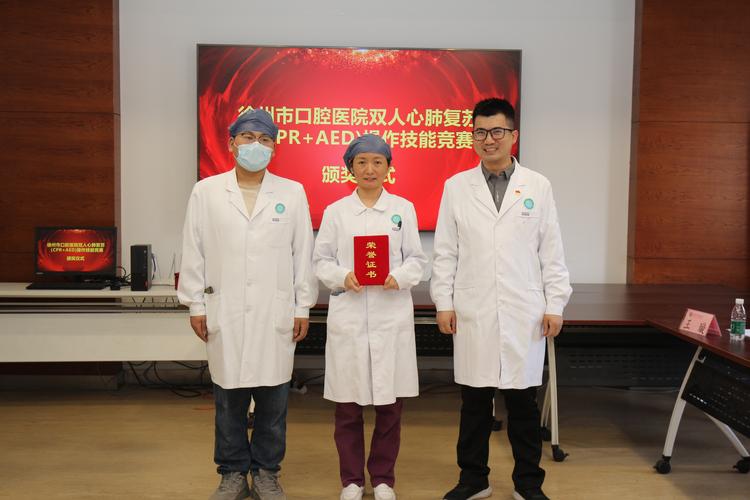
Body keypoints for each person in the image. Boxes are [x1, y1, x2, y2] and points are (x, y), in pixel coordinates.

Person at [430, 98, 572, 500]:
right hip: (473, 311)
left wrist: (555, 304)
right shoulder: (456, 187)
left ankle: (528, 483)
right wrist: (444, 302)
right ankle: (473, 479)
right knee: (474, 402)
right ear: (472, 137)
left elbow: (551, 252)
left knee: (523, 404)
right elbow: (446, 252)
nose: (488, 139)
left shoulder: (538, 186)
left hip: (524, 311)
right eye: (480, 132)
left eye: (496, 131)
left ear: (513, 136)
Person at [178, 108, 318, 500]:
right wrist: (195, 305)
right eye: (248, 137)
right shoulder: (207, 191)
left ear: (275, 147)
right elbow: (194, 249)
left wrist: (302, 307)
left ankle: (267, 472)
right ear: (232, 143)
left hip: (275, 312)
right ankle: (233, 473)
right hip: (225, 310)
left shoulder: (291, 192)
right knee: (229, 400)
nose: (256, 145)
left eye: (265, 139)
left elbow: (302, 254)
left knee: (274, 401)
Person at [313, 134, 427, 500]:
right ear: (350, 168)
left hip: (390, 317)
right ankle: (351, 480)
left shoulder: (403, 209)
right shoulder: (336, 212)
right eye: (361, 162)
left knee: (390, 407)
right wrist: (342, 276)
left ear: (388, 168)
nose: (369, 169)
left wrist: (400, 276)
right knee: (347, 407)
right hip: (349, 317)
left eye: (378, 162)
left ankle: (382, 479)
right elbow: (321, 261)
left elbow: (417, 260)